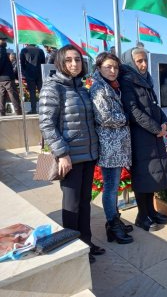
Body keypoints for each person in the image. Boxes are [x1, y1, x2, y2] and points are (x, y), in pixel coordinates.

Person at [39, 44, 102, 263]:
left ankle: (86, 243)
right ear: (60, 62)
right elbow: (46, 124)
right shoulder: (52, 87)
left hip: (88, 154)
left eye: (77, 59)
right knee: (71, 205)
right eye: (68, 60)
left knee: (85, 203)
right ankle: (72, 249)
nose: (74, 64)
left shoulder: (82, 88)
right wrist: (63, 154)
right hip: (69, 158)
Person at [119, 47, 167, 231]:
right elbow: (133, 111)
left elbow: (154, 106)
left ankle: (151, 211)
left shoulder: (146, 79)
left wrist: (165, 122)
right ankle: (142, 216)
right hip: (139, 136)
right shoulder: (127, 81)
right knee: (143, 176)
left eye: (144, 60)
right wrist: (156, 128)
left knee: (152, 175)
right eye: (139, 61)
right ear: (130, 62)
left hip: (152, 135)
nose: (143, 64)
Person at [89, 52, 133, 244]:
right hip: (109, 147)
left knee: (113, 186)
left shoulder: (113, 86)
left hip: (117, 145)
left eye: (115, 67)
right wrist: (126, 119)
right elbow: (104, 117)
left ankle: (115, 220)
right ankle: (112, 224)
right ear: (99, 68)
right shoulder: (99, 88)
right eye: (108, 67)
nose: (113, 70)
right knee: (110, 187)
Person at [20, 44, 45, 114]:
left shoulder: (24, 50)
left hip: (29, 73)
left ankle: (33, 109)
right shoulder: (40, 50)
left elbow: (22, 63)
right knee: (42, 92)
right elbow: (43, 63)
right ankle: (44, 109)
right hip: (40, 73)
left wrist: (25, 73)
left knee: (32, 92)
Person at [0, 37, 21, 116]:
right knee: (13, 96)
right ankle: (19, 113)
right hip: (7, 78)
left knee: (2, 97)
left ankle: (2, 115)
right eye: (3, 40)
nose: (5, 41)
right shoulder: (1, 49)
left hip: (2, 78)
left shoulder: (2, 49)